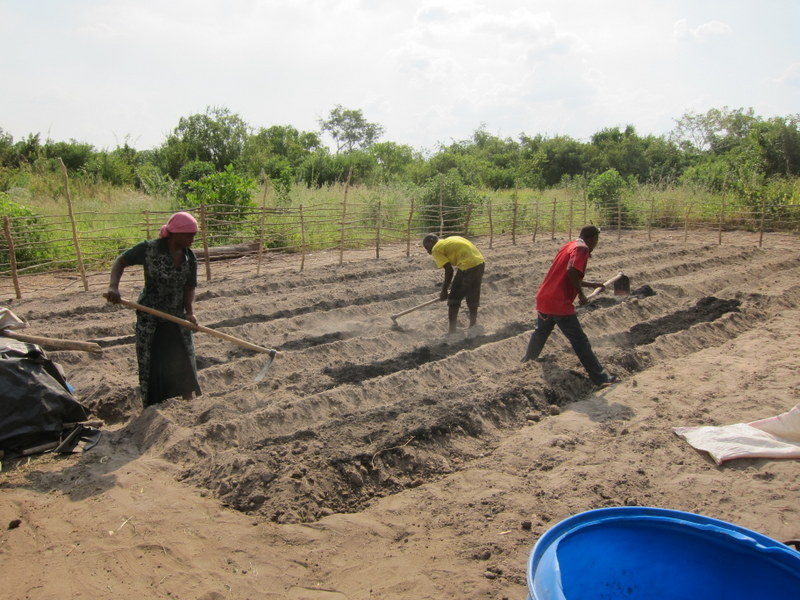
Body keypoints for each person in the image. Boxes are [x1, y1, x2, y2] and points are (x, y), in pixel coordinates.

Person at [106, 211, 202, 407]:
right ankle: (153, 404)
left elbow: (189, 287)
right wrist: (113, 287)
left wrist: (190, 312)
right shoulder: (149, 249)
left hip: (176, 316)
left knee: (181, 358)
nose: (192, 239)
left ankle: (187, 402)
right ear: (175, 234)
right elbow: (120, 261)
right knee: (152, 360)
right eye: (189, 235)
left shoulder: (190, 259)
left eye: (194, 235)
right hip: (150, 315)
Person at [521, 225, 618, 386]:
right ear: (593, 238)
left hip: (545, 298)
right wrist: (580, 294)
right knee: (580, 341)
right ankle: (601, 378)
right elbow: (572, 270)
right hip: (559, 303)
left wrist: (591, 284)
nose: (596, 243)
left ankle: (526, 362)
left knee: (540, 333)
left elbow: (564, 274)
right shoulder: (582, 249)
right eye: (597, 240)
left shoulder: (570, 245)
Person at [422, 233, 485, 335]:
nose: (428, 252)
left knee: (453, 299)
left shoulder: (436, 248)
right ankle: (473, 325)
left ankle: (452, 331)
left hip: (467, 266)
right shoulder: (451, 239)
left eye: (427, 248)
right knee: (472, 295)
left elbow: (449, 270)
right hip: (480, 263)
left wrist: (444, 290)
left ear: (432, 241)